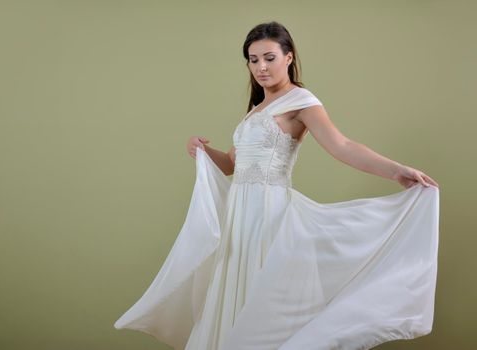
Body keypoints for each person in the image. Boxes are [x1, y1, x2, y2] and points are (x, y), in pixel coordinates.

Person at [114, 21, 441, 350]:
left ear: (288, 56)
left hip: (270, 218)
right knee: (237, 301)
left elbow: (342, 146)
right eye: (253, 60)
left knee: (266, 304)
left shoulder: (301, 101)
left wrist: (396, 170)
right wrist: (199, 150)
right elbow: (231, 163)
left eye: (269, 57)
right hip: (240, 222)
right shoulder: (256, 109)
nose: (261, 67)